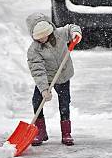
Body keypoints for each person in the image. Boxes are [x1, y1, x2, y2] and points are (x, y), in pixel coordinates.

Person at [26, 13, 82, 146]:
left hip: (63, 76)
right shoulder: (34, 50)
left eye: (44, 35)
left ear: (49, 31)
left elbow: (71, 28)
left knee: (64, 103)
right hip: (47, 77)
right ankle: (40, 132)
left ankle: (66, 133)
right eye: (39, 38)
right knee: (37, 101)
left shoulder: (60, 34)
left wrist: (75, 34)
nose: (43, 39)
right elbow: (38, 71)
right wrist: (44, 90)